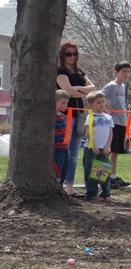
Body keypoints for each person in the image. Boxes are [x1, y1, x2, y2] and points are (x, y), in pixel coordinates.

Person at [56, 40, 95, 198]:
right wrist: (81, 91)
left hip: (79, 114)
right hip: (65, 115)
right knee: (63, 151)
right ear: (62, 55)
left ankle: (70, 186)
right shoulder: (60, 71)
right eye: (68, 54)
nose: (72, 57)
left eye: (74, 54)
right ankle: (59, 183)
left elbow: (93, 89)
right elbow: (68, 92)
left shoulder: (80, 72)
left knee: (74, 154)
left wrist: (78, 89)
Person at [100, 61, 131, 188]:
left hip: (122, 121)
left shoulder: (123, 86)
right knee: (108, 150)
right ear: (116, 72)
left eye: (128, 72)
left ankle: (113, 176)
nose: (126, 74)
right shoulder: (111, 86)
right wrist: (108, 106)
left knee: (116, 150)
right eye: (123, 71)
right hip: (113, 121)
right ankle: (101, 176)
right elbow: (97, 95)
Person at [82, 91, 114, 201]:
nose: (102, 104)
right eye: (98, 102)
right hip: (91, 148)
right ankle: (91, 194)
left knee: (104, 170)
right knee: (90, 171)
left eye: (103, 102)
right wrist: (93, 146)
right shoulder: (90, 117)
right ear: (91, 104)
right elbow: (88, 132)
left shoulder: (108, 118)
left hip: (104, 149)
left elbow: (110, 133)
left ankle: (106, 193)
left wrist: (107, 146)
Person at [54, 90, 70, 186]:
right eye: (62, 103)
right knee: (57, 171)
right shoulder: (52, 117)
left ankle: (60, 187)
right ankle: (57, 186)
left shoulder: (63, 116)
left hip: (65, 148)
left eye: (66, 103)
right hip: (57, 149)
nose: (65, 105)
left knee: (65, 170)